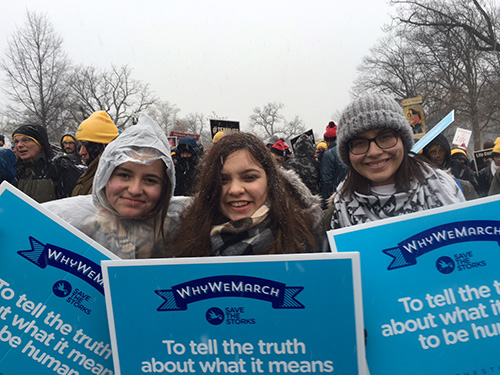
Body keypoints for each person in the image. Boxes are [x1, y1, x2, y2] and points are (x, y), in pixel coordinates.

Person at [43, 115, 190, 259]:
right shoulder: (67, 219)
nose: (135, 190)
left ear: (165, 186)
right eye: (125, 175)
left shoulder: (183, 223)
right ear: (105, 176)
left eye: (150, 180)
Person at [171, 132, 323, 257]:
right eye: (223, 179)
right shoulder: (186, 239)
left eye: (249, 177)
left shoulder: (307, 241)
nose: (235, 190)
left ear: (269, 181)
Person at [326, 94, 465, 229]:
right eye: (359, 143)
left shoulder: (451, 189)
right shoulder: (335, 213)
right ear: (348, 154)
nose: (374, 152)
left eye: (385, 137)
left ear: (403, 140)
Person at [72, 111, 119, 196]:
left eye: (85, 146)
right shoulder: (92, 173)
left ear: (98, 147)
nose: (81, 152)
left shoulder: (108, 180)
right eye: (80, 146)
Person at [320, 121, 347, 208]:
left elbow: (326, 180)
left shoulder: (328, 155)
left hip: (337, 198)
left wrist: (325, 203)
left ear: (328, 142)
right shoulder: (349, 149)